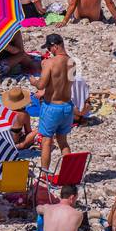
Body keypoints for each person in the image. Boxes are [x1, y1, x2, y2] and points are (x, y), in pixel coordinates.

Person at [33, 34, 73, 173]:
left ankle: (44, 175)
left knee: (46, 141)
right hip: (67, 107)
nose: (49, 51)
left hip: (52, 107)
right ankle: (68, 173)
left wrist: (34, 81)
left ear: (55, 46)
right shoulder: (72, 62)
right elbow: (67, 83)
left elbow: (41, 84)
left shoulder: (50, 62)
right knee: (63, 142)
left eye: (50, 48)